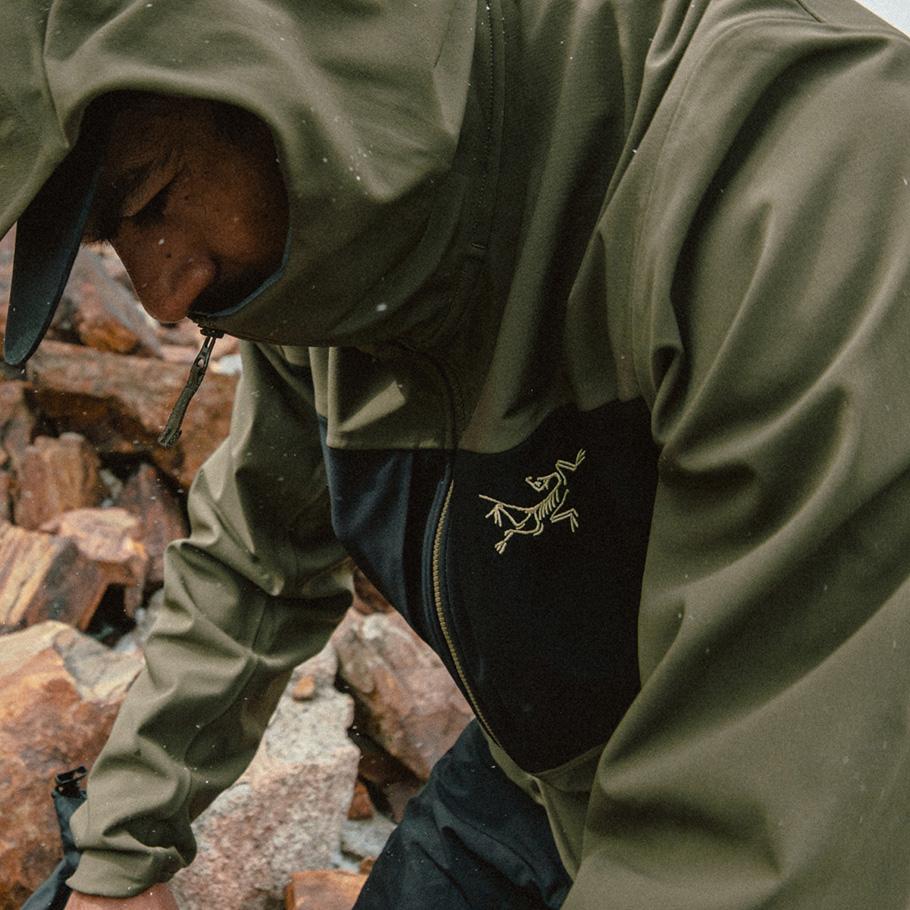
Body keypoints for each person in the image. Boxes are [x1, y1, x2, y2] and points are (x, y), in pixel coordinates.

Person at [3, 0, 910, 907]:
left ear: (264, 61)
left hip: (792, 783)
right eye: (115, 247)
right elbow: (257, 559)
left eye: (155, 200)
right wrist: (116, 857)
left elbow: (777, 810)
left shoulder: (798, 163)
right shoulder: (318, 252)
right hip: (541, 783)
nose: (164, 297)